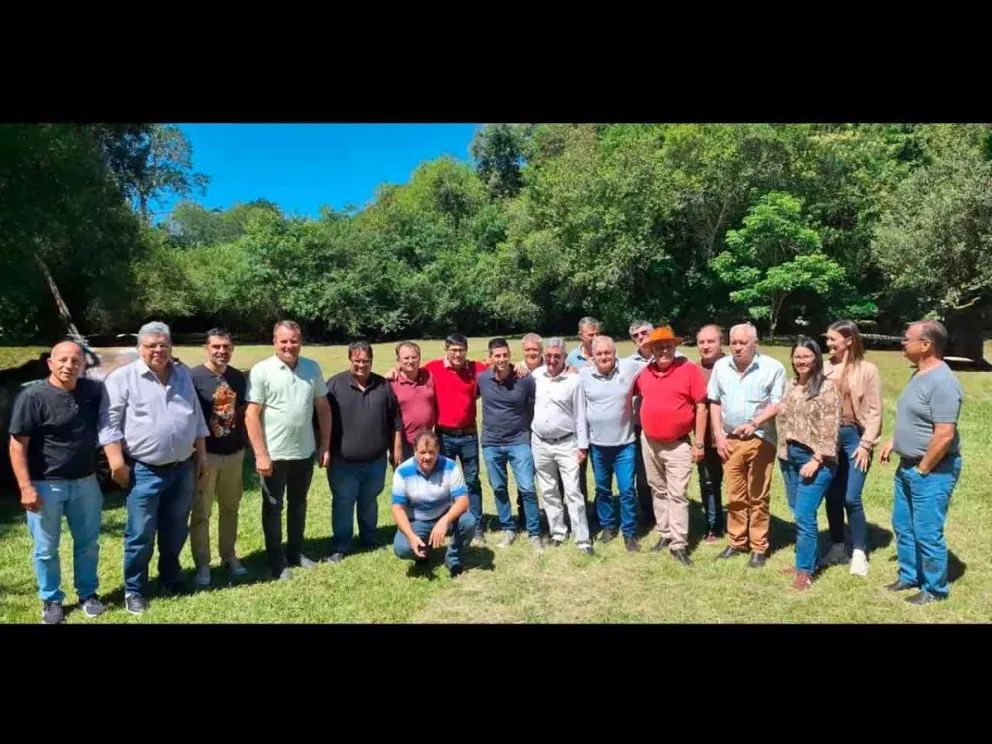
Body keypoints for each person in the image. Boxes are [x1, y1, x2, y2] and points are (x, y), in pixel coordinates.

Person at [99, 321, 209, 614]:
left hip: (182, 467)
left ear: (171, 347)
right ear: (140, 349)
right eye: (151, 345)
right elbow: (109, 424)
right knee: (140, 534)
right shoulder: (122, 378)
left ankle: (170, 577)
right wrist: (116, 462)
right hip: (144, 470)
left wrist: (202, 455)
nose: (158, 350)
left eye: (164, 345)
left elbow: (196, 417)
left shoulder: (183, 374)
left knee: (175, 530)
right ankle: (134, 589)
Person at [8, 341, 106, 624]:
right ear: (50, 364)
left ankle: (88, 594)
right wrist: (26, 487)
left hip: (86, 482)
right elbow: (17, 445)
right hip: (45, 484)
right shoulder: (33, 397)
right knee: (46, 548)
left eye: (76, 360)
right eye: (62, 360)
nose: (69, 365)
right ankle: (51, 600)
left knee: (88, 543)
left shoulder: (92, 391)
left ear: (83, 365)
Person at [880, 320, 964, 605]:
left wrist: (923, 469)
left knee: (927, 531)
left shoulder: (943, 382)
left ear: (926, 345)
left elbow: (944, 434)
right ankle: (910, 575)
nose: (903, 343)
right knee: (903, 525)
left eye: (907, 339)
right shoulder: (918, 374)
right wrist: (894, 441)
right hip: (908, 465)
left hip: (933, 470)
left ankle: (934, 589)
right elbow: (913, 417)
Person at [245, 321, 332, 581]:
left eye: (293, 341)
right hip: (273, 455)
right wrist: (261, 454)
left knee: (299, 505)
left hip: (303, 452)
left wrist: (324, 445)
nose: (289, 346)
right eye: (283, 341)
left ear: (300, 341)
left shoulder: (311, 368)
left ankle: (295, 552)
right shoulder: (262, 371)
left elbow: (323, 409)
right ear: (274, 342)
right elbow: (251, 415)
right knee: (273, 507)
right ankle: (276, 560)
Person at [707, 323, 786, 568]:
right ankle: (736, 541)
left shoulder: (772, 368)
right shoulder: (721, 366)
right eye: (734, 343)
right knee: (735, 494)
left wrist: (755, 422)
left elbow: (778, 404)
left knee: (758, 495)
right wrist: (718, 435)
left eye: (743, 343)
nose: (738, 348)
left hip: (761, 438)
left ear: (755, 343)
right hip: (730, 440)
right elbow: (714, 401)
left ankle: (759, 546)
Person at [633, 326, 708, 566]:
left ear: (675, 347)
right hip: (650, 441)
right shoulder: (644, 373)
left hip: (678, 445)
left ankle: (678, 544)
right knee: (658, 489)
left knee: (677, 495)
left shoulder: (688, 370)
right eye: (658, 347)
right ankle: (664, 534)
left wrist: (698, 443)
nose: (664, 350)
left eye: (668, 346)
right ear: (651, 350)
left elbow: (701, 406)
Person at [325, 341, 404, 564]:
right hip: (343, 461)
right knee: (343, 502)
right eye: (357, 361)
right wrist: (324, 449)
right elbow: (321, 419)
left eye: (366, 361)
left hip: (375, 460)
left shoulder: (383, 385)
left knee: (369, 500)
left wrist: (395, 449)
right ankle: (341, 545)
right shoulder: (335, 385)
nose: (362, 365)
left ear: (372, 361)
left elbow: (395, 421)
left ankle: (369, 538)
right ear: (350, 359)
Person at [776, 338, 840, 590]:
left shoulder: (826, 388)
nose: (801, 361)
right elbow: (780, 411)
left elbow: (831, 428)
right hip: (788, 456)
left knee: (804, 514)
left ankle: (805, 570)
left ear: (816, 359)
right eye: (797, 356)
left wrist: (816, 459)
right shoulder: (790, 385)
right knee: (796, 509)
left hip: (815, 459)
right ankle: (807, 560)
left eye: (806, 356)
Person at [188, 328, 250, 587]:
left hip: (234, 454)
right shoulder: (192, 378)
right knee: (202, 512)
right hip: (206, 456)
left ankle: (229, 556)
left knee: (230, 508)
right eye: (216, 347)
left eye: (226, 347)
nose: (222, 351)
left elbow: (244, 412)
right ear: (206, 348)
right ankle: (203, 564)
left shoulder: (237, 377)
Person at [822, 320, 883, 575]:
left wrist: (866, 444)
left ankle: (859, 551)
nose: (828, 343)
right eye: (827, 339)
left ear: (849, 340)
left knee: (851, 496)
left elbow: (874, 410)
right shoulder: (824, 367)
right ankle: (837, 545)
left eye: (833, 339)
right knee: (832, 495)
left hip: (853, 438)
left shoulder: (867, 370)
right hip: (828, 439)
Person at [579, 335, 644, 552]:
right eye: (599, 354)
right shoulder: (583, 374)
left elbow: (653, 362)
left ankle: (629, 532)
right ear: (592, 356)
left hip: (625, 444)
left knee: (626, 490)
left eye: (608, 352)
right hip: (598, 445)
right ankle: (608, 527)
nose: (604, 357)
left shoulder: (629, 367)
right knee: (603, 489)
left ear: (615, 353)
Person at [478, 337, 543, 550]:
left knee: (527, 488)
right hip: (491, 442)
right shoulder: (483, 379)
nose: (502, 359)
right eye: (497, 356)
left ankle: (534, 533)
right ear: (490, 358)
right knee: (498, 488)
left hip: (519, 441)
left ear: (510, 355)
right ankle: (508, 529)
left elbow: (533, 406)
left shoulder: (524, 379)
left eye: (505, 355)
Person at [531, 337, 593, 555]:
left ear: (565, 358)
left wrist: (582, 446)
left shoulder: (574, 380)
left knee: (573, 491)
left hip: (567, 443)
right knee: (548, 490)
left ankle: (582, 539)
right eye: (548, 356)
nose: (552, 360)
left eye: (557, 356)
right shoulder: (536, 376)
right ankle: (558, 532)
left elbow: (580, 416)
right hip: (540, 442)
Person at [391, 429, 476, 578]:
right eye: (422, 452)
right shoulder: (402, 472)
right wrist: (411, 536)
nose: (427, 457)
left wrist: (444, 521)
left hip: (443, 515)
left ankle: (453, 559)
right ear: (414, 450)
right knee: (402, 548)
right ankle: (422, 554)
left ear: (438, 450)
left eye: (432, 452)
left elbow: (463, 502)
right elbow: (398, 509)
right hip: (417, 520)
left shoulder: (450, 466)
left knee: (468, 521)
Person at [695, 324, 727, 543]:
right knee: (708, 484)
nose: (705, 346)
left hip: (733, 437)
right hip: (705, 440)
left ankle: (739, 527)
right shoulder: (694, 370)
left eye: (710, 341)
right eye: (701, 342)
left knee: (739, 485)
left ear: (721, 342)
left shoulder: (731, 365)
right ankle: (713, 526)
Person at [628, 320, 656, 527]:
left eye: (644, 333)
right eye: (636, 335)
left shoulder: (670, 355)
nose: (640, 337)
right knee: (643, 475)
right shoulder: (628, 364)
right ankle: (648, 515)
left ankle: (670, 514)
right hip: (639, 426)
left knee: (664, 473)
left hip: (666, 427)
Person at [390, 341, 437, 461]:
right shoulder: (391, 382)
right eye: (406, 358)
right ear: (398, 360)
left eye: (414, 357)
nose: (410, 361)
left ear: (419, 358)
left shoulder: (428, 375)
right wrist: (396, 448)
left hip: (427, 440)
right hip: (404, 443)